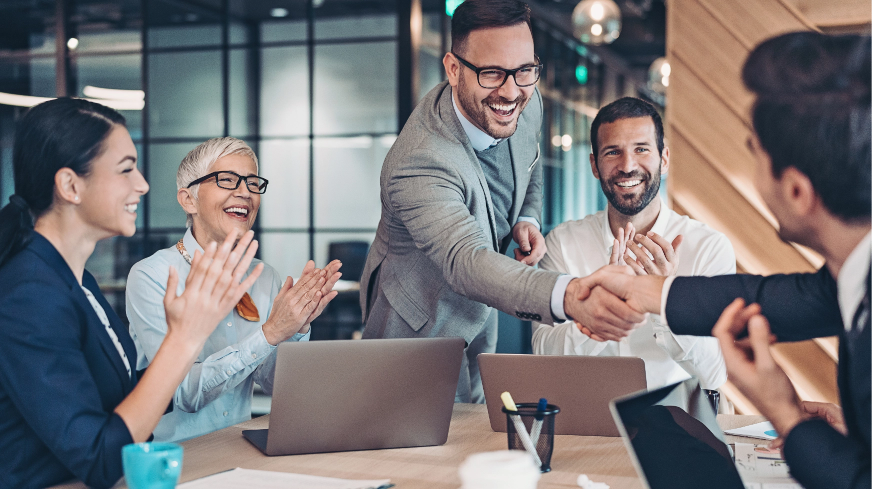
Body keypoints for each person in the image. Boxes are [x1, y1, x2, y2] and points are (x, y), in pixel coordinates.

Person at [581, 32, 872, 489]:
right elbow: (768, 297)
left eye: (753, 153)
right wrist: (635, 288)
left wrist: (785, 416)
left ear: (796, 191)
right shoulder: (851, 275)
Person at [360, 0, 643, 403]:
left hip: (481, 315)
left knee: (473, 442)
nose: (511, 92)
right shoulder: (419, 159)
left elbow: (531, 166)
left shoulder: (526, 106)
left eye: (525, 70)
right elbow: (466, 260)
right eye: (492, 73)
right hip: (415, 330)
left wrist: (526, 216)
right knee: (416, 459)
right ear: (454, 69)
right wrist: (572, 296)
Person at [0, 99, 265, 489]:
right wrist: (184, 338)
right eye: (126, 170)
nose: (142, 184)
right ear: (71, 185)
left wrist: (193, 343)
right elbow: (101, 459)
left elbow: (124, 392)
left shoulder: (78, 279)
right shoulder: (29, 294)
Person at [126, 137, 342, 442]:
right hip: (175, 457)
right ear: (189, 200)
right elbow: (184, 393)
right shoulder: (153, 276)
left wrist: (297, 325)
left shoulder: (263, 275)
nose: (245, 192)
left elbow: (275, 385)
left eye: (253, 183)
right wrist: (269, 333)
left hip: (240, 447)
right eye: (226, 180)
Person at [532, 97, 730, 393]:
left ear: (663, 160)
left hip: (675, 426)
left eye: (641, 149)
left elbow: (713, 376)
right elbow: (545, 357)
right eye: (613, 152)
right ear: (595, 165)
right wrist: (598, 307)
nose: (627, 166)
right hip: (586, 423)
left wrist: (665, 298)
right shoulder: (562, 243)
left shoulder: (708, 247)